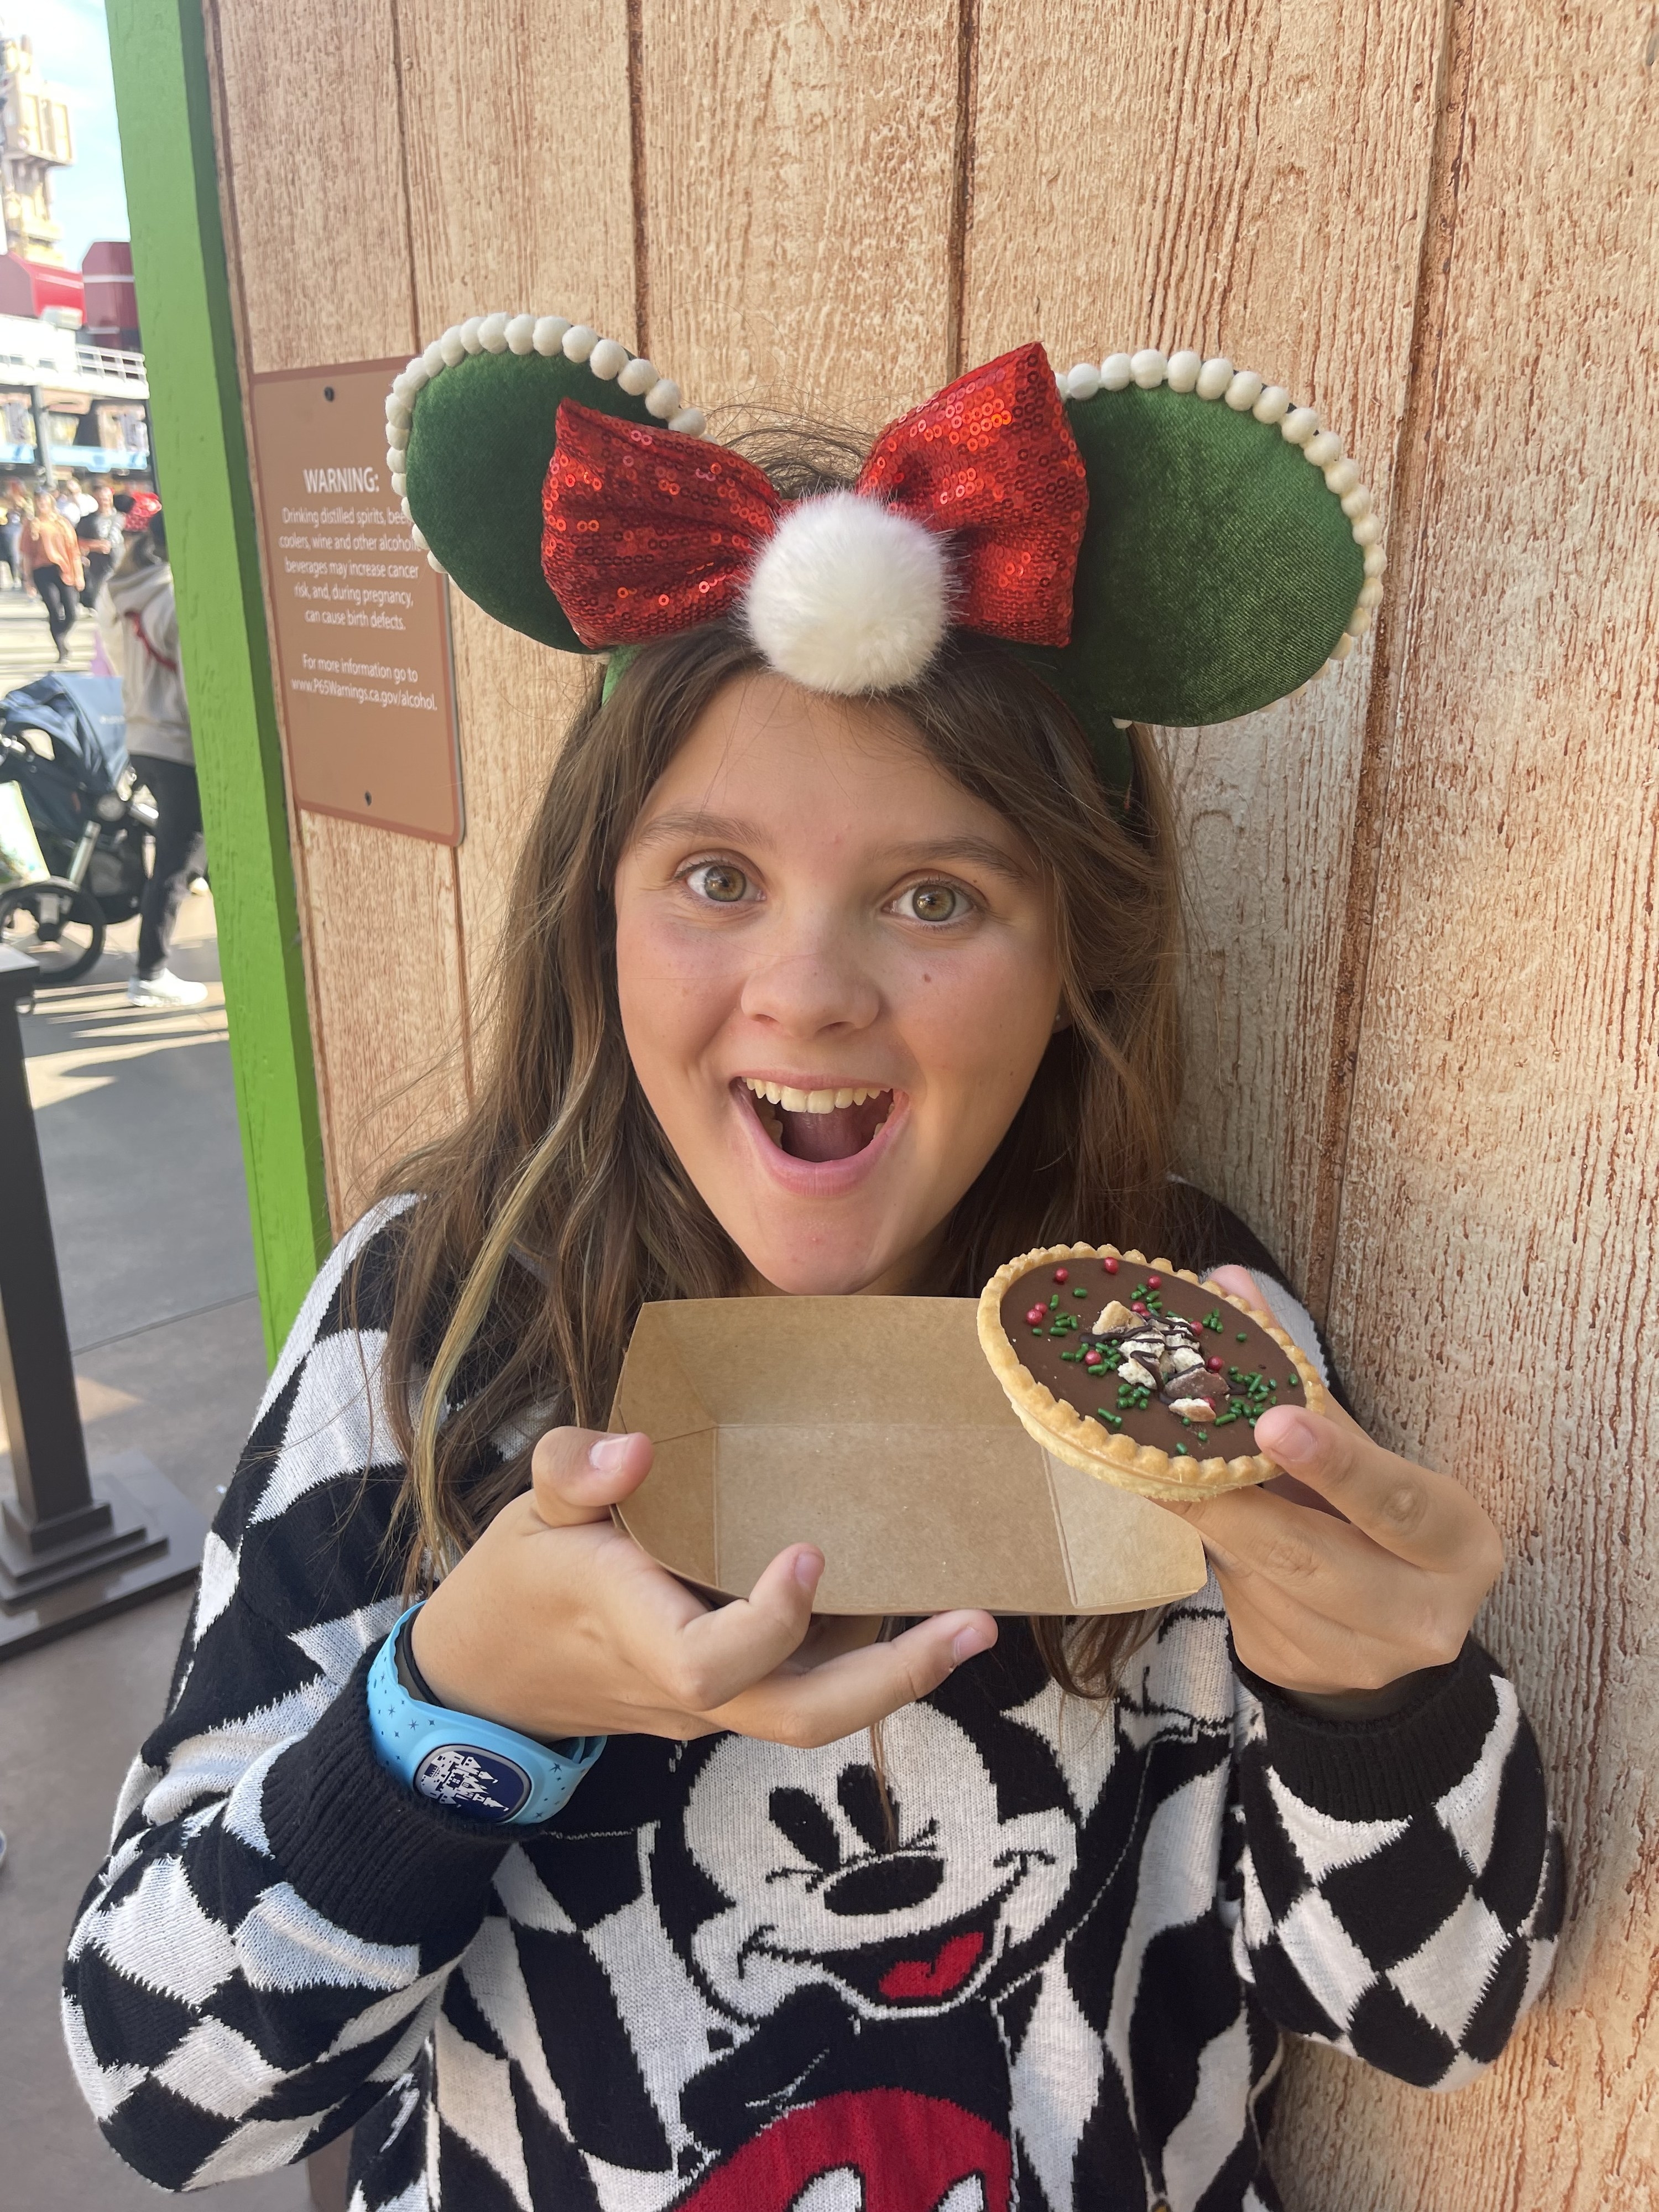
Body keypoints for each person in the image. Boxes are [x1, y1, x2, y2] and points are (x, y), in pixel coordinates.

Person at [64, 331, 1561, 2211]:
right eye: (714, 878)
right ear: (596, 901)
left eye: (938, 897)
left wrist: (1378, 1703)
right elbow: (160, 2085)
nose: (809, 994)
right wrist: (460, 1702)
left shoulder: (1171, 1340)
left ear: (1077, 950)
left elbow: (1436, 2013)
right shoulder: (434, 1325)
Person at [100, 510, 208, 1008]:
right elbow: (195, 691)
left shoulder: (133, 590)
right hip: (178, 743)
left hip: (142, 738)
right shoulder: (178, 597)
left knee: (182, 852)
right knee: (174, 861)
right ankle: (150, 972)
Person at [18, 488, 82, 660]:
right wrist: (28, 580)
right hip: (43, 571)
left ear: (51, 503)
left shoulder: (62, 523)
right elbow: (27, 555)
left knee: (72, 612)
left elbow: (74, 551)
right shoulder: (33, 525)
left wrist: (79, 575)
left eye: (45, 501)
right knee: (54, 610)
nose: (42, 504)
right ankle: (61, 649)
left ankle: (60, 634)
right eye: (39, 501)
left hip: (64, 570)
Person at [75, 483, 119, 607]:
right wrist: (96, 545)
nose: (104, 501)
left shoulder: (122, 517)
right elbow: (76, 542)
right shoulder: (87, 520)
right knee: (102, 601)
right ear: (96, 498)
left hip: (121, 565)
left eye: (107, 498)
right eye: (101, 498)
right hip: (99, 569)